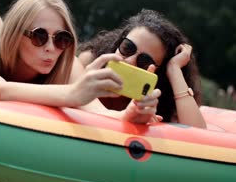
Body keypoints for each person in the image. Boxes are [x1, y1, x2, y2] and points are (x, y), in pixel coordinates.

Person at [0, 0, 162, 123]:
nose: (51, 48)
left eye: (61, 39)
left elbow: (98, 112)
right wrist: (72, 94)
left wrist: (131, 113)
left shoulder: (67, 64)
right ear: (16, 33)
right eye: (39, 36)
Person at [78, 9, 206, 128]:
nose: (129, 61)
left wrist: (174, 69)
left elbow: (199, 135)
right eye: (127, 47)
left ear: (158, 74)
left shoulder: (156, 102)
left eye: (144, 61)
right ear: (118, 44)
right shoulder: (89, 62)